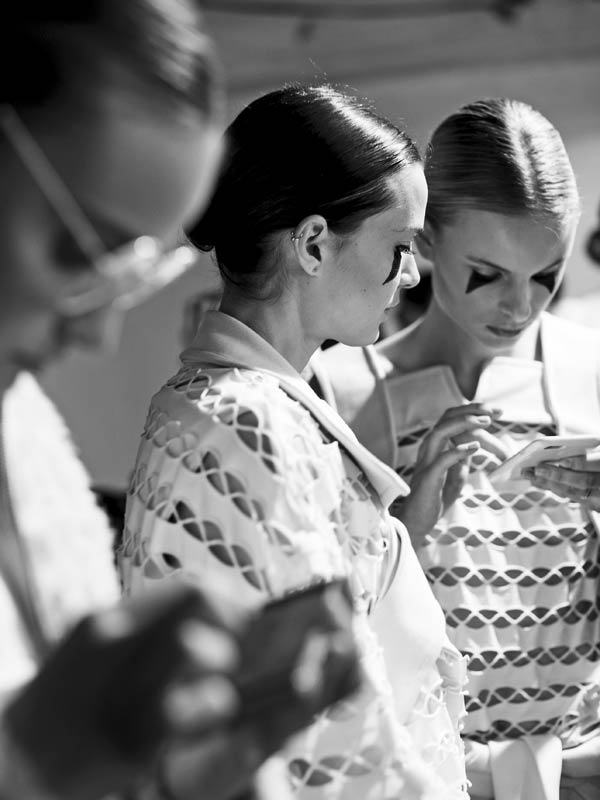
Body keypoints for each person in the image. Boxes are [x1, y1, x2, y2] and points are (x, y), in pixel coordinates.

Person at [0, 5, 336, 799]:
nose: (99, 335)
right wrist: (24, 762)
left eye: (134, 275)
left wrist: (171, 776)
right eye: (79, 254)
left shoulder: (24, 430)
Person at [121, 83, 470, 800]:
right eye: (400, 246)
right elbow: (329, 736)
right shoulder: (247, 422)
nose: (410, 275)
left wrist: (400, 536)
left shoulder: (237, 407)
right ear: (314, 243)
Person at [316, 98, 600, 799]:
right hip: (424, 779)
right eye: (488, 273)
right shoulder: (340, 391)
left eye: (546, 274)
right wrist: (398, 534)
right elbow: (321, 639)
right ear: (426, 241)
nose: (520, 307)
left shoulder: (599, 371)